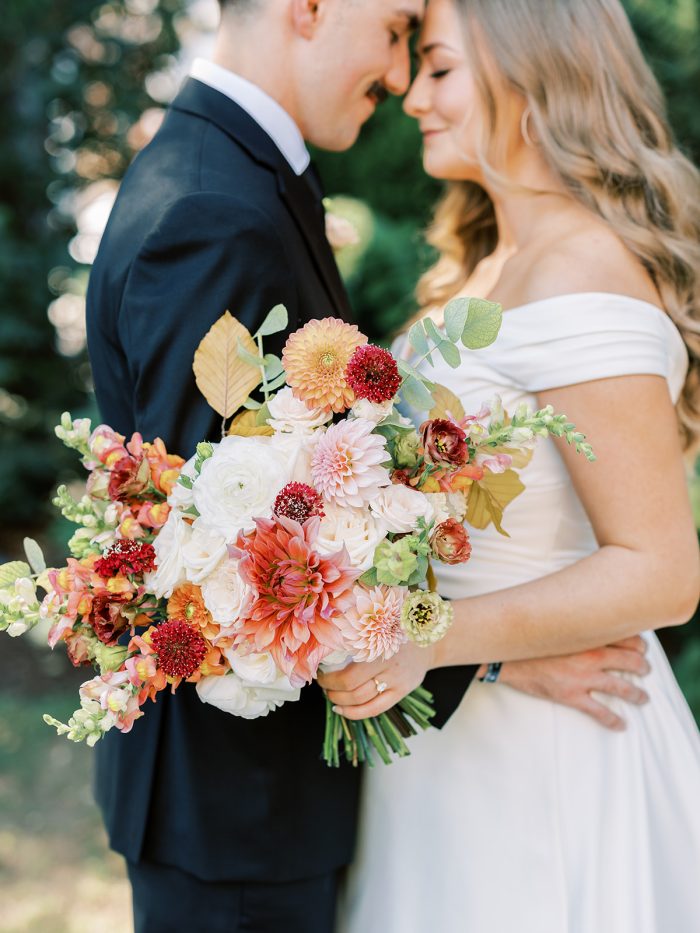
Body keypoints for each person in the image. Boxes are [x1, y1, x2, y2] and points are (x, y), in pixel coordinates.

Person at [87, 1, 656, 930]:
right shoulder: (216, 209)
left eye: (431, 60)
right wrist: (488, 660)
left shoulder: (237, 181)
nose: (401, 83)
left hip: (310, 795)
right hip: (242, 808)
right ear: (312, 8)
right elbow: (234, 562)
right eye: (397, 34)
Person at [321, 1, 700, 931]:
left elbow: (662, 571)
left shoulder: (583, 272)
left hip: (553, 761)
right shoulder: (485, 269)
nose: (414, 97)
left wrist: (429, 640)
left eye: (441, 68)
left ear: (532, 78)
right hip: (449, 737)